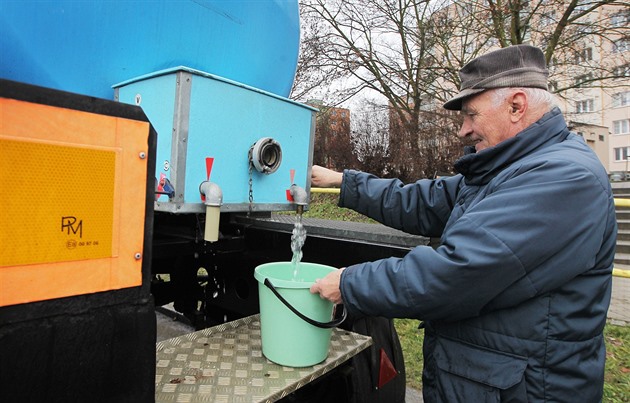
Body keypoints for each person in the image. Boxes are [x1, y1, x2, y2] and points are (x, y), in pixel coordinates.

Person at [309, 44, 616, 402]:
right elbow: (421, 202)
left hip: (524, 389)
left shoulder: (561, 177)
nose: (463, 131)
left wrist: (349, 283)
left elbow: (458, 271)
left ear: (516, 106)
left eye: (472, 115)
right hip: (488, 380)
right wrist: (342, 182)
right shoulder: (505, 169)